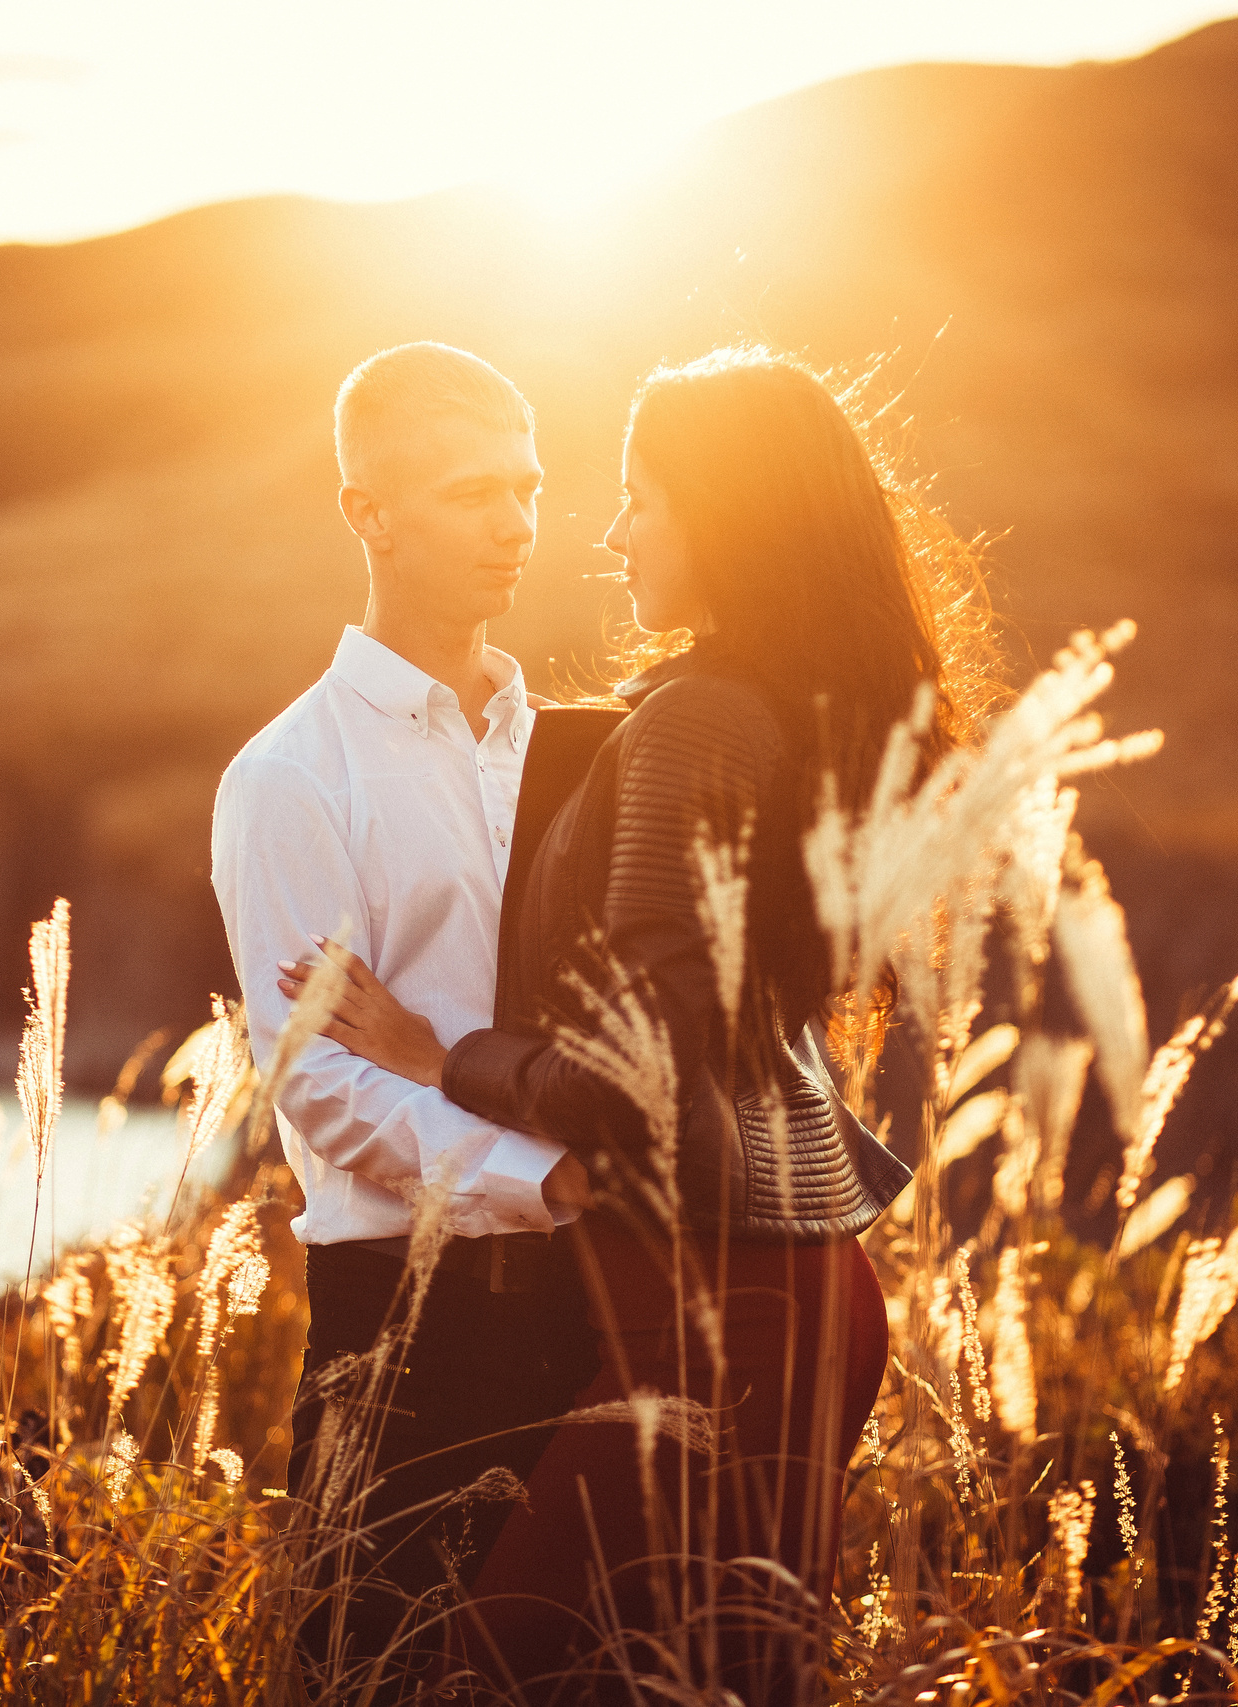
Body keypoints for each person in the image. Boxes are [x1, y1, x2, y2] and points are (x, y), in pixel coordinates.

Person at [279, 345, 987, 1705]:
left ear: (726, 516)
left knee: (487, 1681)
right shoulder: (765, 711)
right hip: (804, 1287)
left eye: (638, 498)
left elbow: (640, 1066)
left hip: (718, 1311)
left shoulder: (702, 724)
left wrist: (439, 1058)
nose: (605, 535)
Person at [209, 342, 599, 1686]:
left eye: (529, 486)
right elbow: (319, 1087)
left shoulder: (580, 752)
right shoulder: (292, 778)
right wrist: (547, 1179)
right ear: (365, 509)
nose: (516, 524)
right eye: (468, 490)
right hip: (402, 1338)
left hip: (598, 1321)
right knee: (382, 1679)